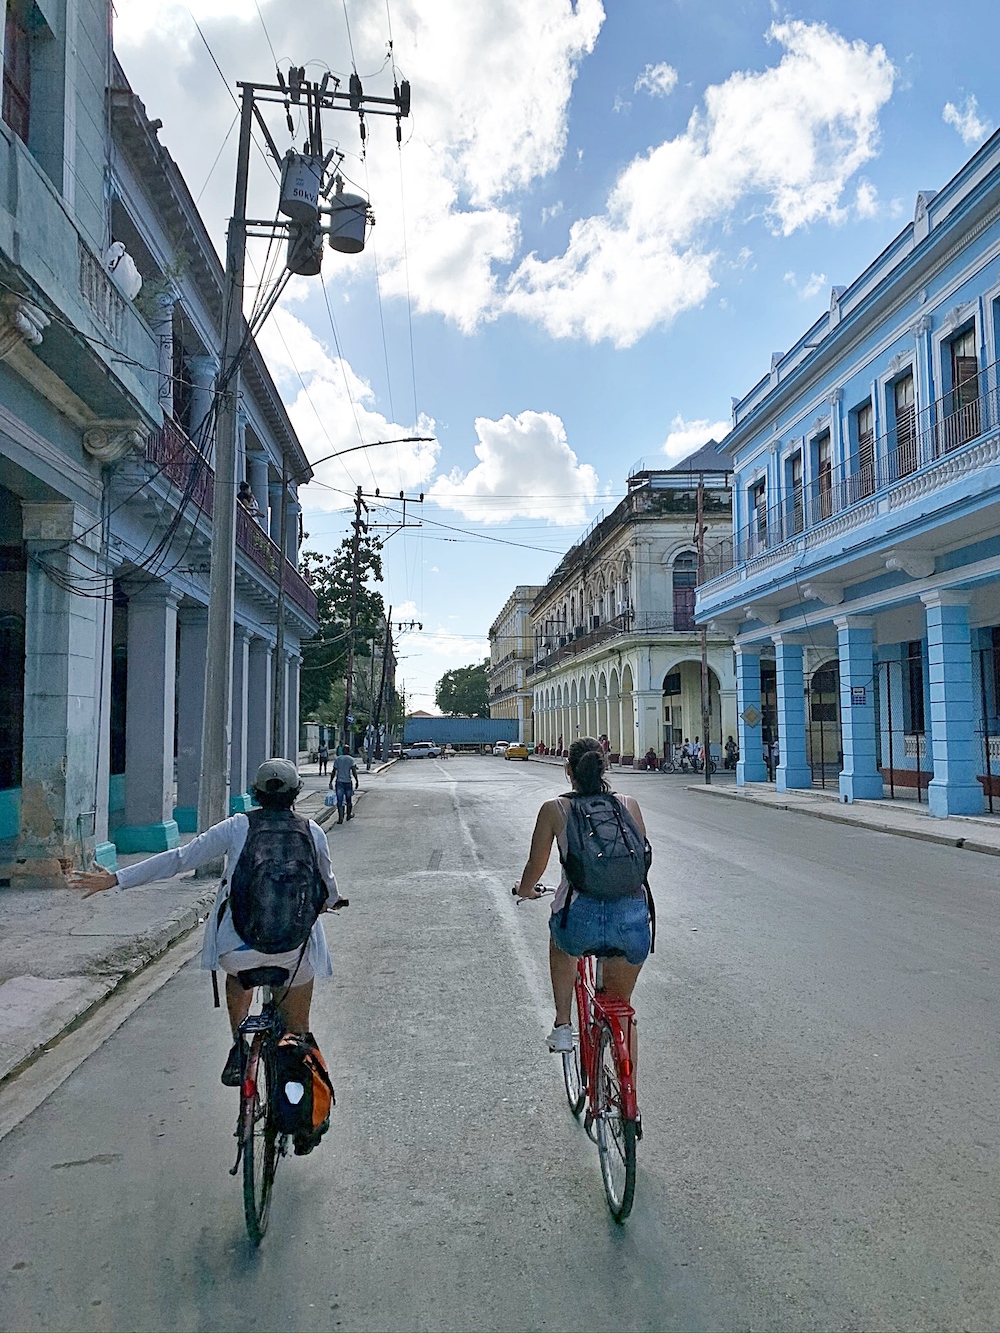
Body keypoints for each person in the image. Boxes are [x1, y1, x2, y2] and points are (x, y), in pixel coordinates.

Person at [69, 759, 345, 1091]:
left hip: (239, 949)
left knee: (238, 975)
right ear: (295, 793)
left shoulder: (235, 827)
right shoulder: (312, 832)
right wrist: (329, 903)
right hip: (293, 953)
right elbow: (329, 891)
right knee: (296, 1032)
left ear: (256, 793)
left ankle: (240, 1046)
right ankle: (296, 1102)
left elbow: (180, 859)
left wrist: (116, 878)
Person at [514, 737, 651, 1062]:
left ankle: (563, 1024)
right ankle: (628, 1105)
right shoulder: (628, 804)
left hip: (580, 921)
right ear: (605, 768)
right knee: (621, 1010)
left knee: (560, 943)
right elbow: (641, 859)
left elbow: (536, 866)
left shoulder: (554, 809)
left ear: (568, 771)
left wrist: (524, 889)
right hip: (631, 923)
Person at [328, 744, 359, 822]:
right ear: (349, 751)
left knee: (340, 801)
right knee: (349, 800)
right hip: (348, 782)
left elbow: (333, 771)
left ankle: (340, 818)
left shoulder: (338, 759)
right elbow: (354, 771)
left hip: (339, 782)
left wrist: (330, 781)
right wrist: (357, 781)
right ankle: (348, 815)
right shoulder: (351, 759)